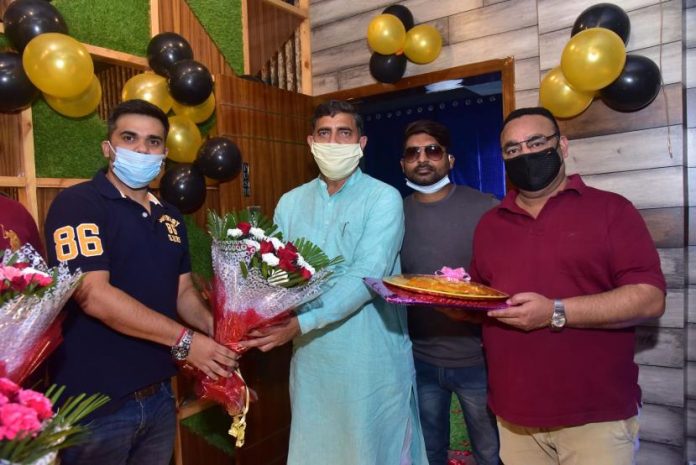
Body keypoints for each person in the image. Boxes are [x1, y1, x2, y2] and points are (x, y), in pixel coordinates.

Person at [466, 106, 666, 465]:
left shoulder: (611, 210)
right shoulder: (488, 224)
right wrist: (441, 297)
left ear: (562, 145)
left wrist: (555, 312)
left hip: (595, 416)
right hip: (514, 415)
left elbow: (649, 298)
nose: (525, 154)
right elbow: (484, 303)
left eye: (536, 143)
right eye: (512, 149)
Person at [44, 99, 239, 465]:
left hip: (159, 396)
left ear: (163, 155)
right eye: (129, 137)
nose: (141, 149)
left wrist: (216, 328)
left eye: (153, 142)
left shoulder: (171, 217)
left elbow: (183, 291)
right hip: (96, 404)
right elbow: (93, 295)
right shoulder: (78, 204)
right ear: (108, 147)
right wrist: (186, 342)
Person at [240, 100, 428, 465]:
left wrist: (301, 323)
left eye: (344, 133)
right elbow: (275, 273)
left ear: (361, 143)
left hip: (370, 361)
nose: (333, 141)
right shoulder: (290, 203)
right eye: (324, 133)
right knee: (316, 450)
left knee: (371, 451)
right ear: (311, 142)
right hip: (312, 361)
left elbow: (366, 277)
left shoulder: (383, 198)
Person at [399, 119, 500, 465]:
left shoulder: (485, 207)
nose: (422, 159)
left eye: (432, 151)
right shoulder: (394, 213)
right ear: (402, 164)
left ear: (449, 159)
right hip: (420, 359)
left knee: (490, 452)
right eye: (412, 153)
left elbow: (506, 279)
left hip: (478, 359)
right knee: (429, 451)